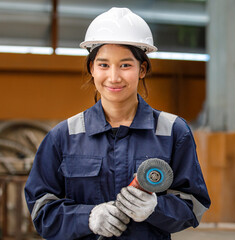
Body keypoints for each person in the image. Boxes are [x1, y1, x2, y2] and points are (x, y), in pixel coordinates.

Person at [24, 7, 211, 240]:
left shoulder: (173, 131)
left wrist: (155, 208)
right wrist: (89, 217)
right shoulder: (63, 136)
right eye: (103, 65)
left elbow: (194, 205)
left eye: (125, 65)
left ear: (142, 69)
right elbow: (42, 211)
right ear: (91, 68)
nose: (113, 77)